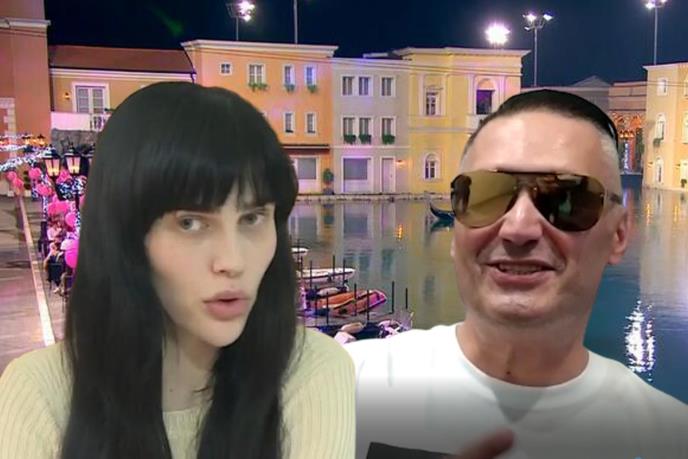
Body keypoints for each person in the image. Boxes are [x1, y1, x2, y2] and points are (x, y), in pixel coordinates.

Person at [0, 82, 355, 458]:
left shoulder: (311, 372)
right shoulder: (40, 395)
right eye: (190, 223)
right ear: (125, 234)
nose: (233, 261)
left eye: (252, 218)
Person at [346, 90, 688, 459]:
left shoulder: (670, 440)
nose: (518, 227)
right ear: (457, 226)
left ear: (619, 234)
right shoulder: (342, 389)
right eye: (486, 195)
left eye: (565, 199)